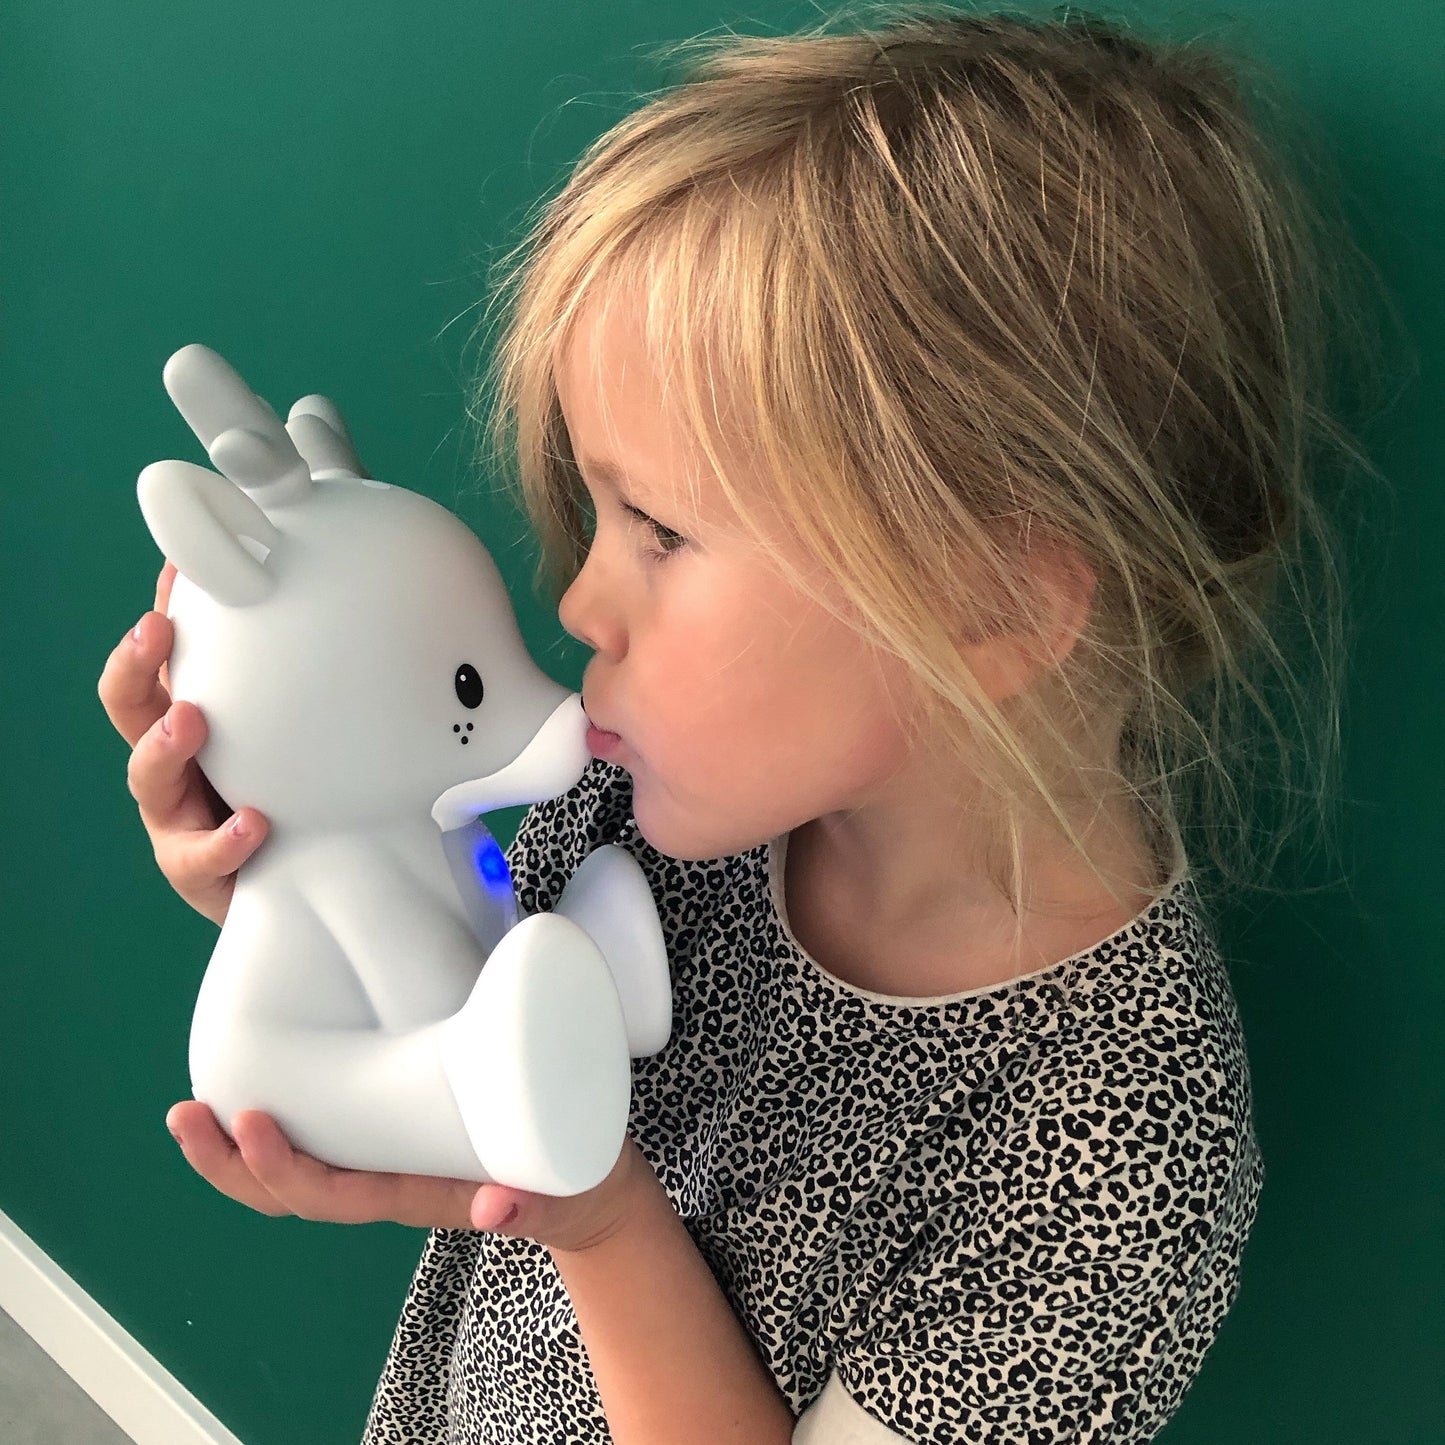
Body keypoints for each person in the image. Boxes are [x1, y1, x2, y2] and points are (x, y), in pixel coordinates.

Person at [99, 6, 1371, 1441]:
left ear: (993, 608)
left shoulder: (1114, 1155)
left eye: (656, 528)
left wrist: (595, 1211)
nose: (577, 599)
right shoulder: (655, 806)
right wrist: (291, 846)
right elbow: (432, 976)